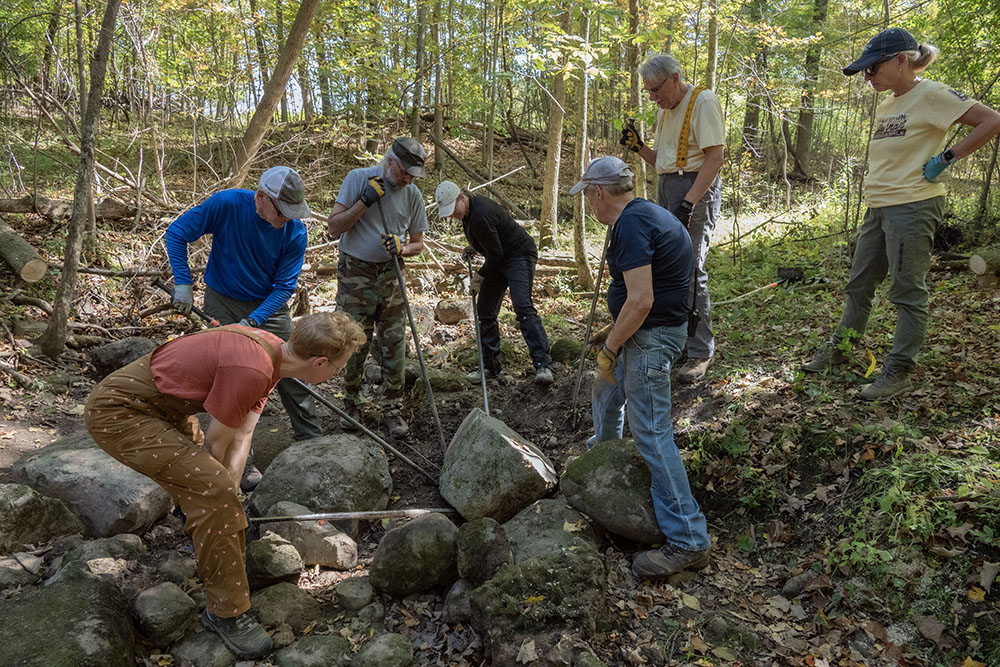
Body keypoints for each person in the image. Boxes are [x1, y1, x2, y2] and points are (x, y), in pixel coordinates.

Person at [84, 312, 366, 659]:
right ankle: (226, 612)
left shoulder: (275, 356)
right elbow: (215, 447)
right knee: (212, 491)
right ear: (320, 362)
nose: (337, 372)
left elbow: (243, 433)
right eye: (339, 367)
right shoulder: (253, 368)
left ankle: (210, 542)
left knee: (219, 491)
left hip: (163, 409)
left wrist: (231, 492)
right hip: (121, 411)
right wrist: (223, 499)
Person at [802, 28, 1000, 399]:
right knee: (859, 284)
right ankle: (842, 349)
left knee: (907, 291)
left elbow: (993, 120)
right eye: (864, 71)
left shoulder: (932, 94)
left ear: (900, 61)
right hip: (878, 207)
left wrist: (945, 159)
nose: (868, 77)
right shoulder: (890, 102)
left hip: (912, 205)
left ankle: (899, 370)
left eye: (872, 69)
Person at [572, 156, 712, 579]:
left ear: (598, 193)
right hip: (645, 332)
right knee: (606, 390)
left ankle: (689, 539)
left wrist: (612, 345)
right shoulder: (643, 215)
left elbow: (641, 300)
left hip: (651, 340)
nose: (589, 207)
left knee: (651, 432)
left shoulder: (632, 225)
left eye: (588, 198)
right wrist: (613, 336)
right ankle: (604, 457)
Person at [165, 166, 320, 491]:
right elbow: (177, 233)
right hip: (223, 299)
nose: (286, 220)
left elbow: (283, 288)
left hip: (270, 307)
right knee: (230, 377)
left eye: (293, 213)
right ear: (261, 197)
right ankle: (241, 464)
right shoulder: (227, 204)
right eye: (281, 212)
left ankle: (312, 441)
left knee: (294, 367)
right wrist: (182, 281)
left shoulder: (295, 232)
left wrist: (252, 322)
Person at [620, 53, 725, 384]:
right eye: (649, 91)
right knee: (668, 268)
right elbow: (664, 162)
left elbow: (715, 157)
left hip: (694, 189)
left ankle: (700, 351)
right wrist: (638, 147)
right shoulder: (666, 111)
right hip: (668, 186)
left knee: (691, 267)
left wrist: (689, 203)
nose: (653, 97)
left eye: (655, 90)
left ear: (675, 78)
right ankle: (678, 338)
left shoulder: (703, 101)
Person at [325, 137, 429, 438]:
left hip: (391, 275)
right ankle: (351, 402)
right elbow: (334, 227)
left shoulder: (413, 195)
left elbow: (418, 243)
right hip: (355, 273)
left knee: (394, 342)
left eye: (413, 174)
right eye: (405, 171)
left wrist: (402, 247)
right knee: (352, 339)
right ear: (390, 162)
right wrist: (365, 201)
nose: (409, 178)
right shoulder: (358, 179)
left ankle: (392, 409)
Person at [435, 181, 554, 385]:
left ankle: (543, 364)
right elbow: (489, 240)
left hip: (519, 254)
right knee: (486, 310)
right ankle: (490, 367)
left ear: (461, 197)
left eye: (453, 209)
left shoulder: (482, 213)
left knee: (522, 306)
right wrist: (473, 246)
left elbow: (496, 252)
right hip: (499, 258)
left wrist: (479, 277)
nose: (452, 214)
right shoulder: (469, 213)